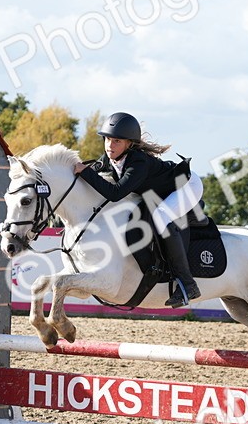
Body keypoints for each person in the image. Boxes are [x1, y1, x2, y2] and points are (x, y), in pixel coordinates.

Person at [72, 111, 204, 307]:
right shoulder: (111, 157)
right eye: (107, 139)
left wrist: (85, 173)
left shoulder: (138, 161)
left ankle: (187, 283)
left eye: (117, 141)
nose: (110, 145)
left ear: (129, 144)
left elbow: (115, 193)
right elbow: (94, 174)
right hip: (160, 193)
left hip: (185, 186)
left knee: (160, 217)